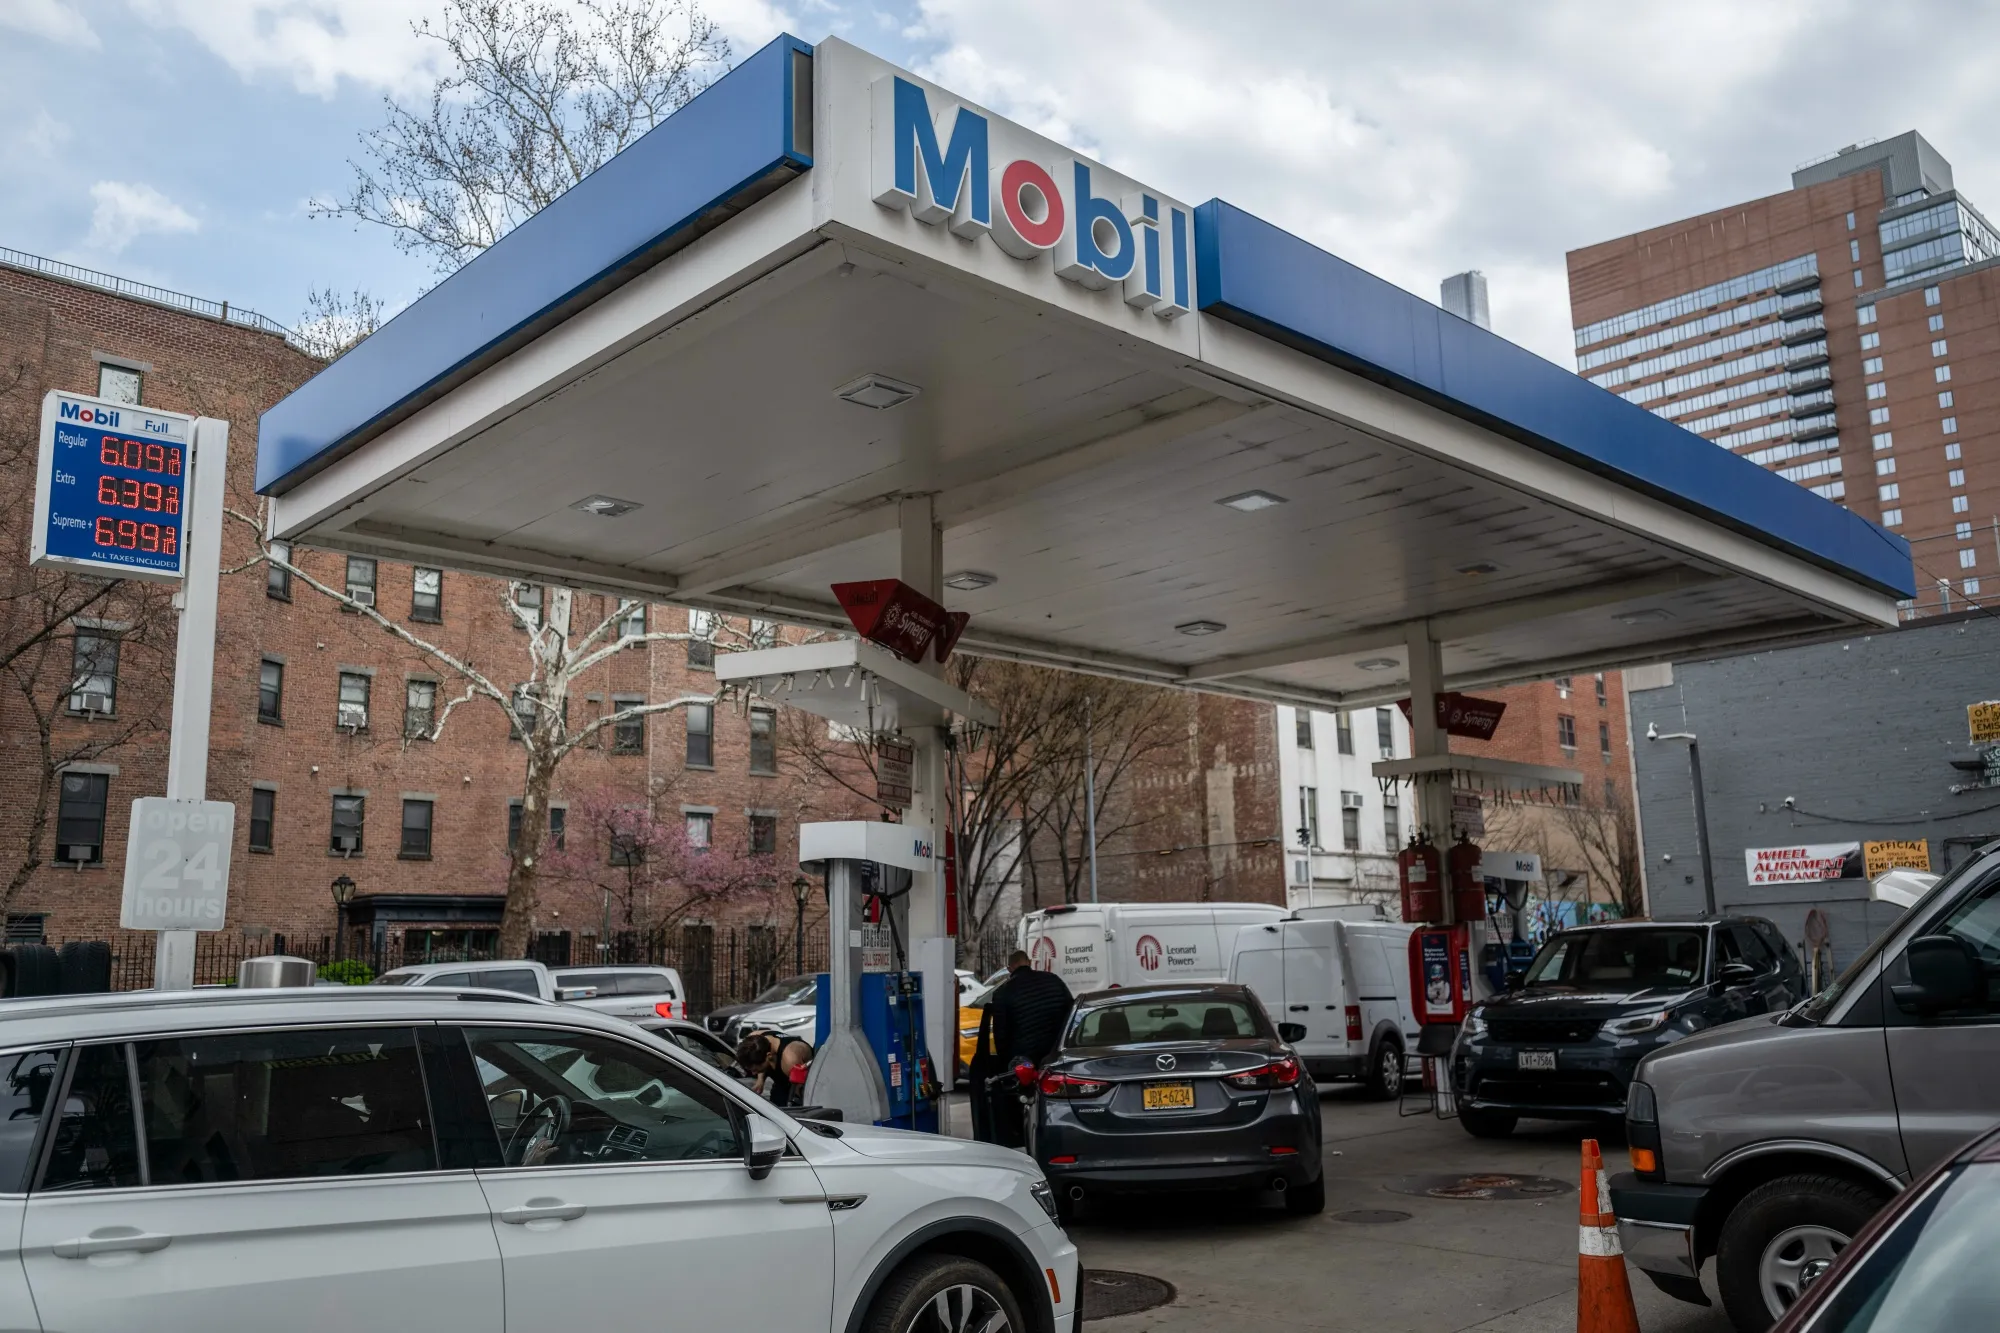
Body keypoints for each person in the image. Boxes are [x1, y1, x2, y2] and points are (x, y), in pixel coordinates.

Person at [979, 951, 1074, 1147]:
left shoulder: (1003, 993)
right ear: (1029, 963)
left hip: (1024, 1059)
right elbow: (1071, 1014)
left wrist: (1007, 1064)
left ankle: (1024, 1137)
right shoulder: (1054, 982)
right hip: (1055, 1055)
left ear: (1009, 969)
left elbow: (1001, 1034)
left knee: (1024, 1101)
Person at [736, 1029, 813, 1108]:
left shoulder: (790, 1061)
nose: (753, 1073)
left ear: (769, 1056)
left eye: (755, 1070)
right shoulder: (753, 1040)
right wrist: (760, 1081)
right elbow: (758, 1059)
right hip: (780, 1077)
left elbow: (803, 1096)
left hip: (800, 1083)